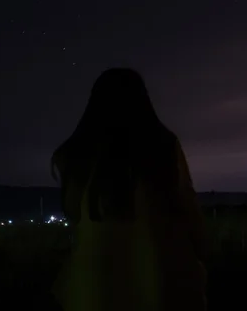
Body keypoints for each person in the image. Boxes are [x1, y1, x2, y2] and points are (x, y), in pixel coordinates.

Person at [49, 68, 207, 311]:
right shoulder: (163, 147)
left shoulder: (77, 154)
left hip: (93, 287)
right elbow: (188, 209)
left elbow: (73, 213)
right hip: (162, 280)